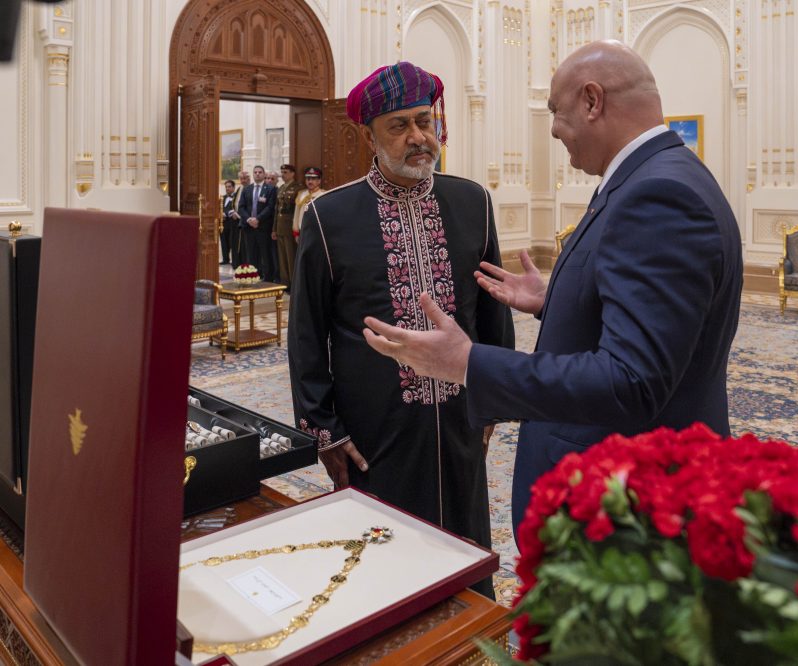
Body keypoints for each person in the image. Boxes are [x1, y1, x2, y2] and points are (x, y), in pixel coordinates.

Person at [362, 41, 743, 534]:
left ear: (591, 101)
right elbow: (657, 322)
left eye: (556, 112)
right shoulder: (659, 175)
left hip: (626, 503)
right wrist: (558, 300)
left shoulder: (657, 194)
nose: (553, 129)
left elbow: (631, 382)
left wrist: (466, 362)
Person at [288, 61, 514, 598]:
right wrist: (326, 429)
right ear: (369, 135)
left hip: (460, 421)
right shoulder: (329, 217)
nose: (417, 137)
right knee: (384, 570)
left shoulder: (472, 202)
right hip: (374, 430)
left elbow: (492, 310)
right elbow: (307, 332)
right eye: (399, 126)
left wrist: (495, 398)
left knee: (464, 557)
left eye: (423, 121)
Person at [237, 165, 277, 281]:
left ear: (264, 174)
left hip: (263, 227)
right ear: (253, 174)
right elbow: (241, 207)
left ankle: (268, 277)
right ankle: (253, 275)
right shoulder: (247, 189)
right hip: (249, 227)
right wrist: (249, 219)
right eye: (255, 172)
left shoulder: (270, 189)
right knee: (251, 253)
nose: (258, 174)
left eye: (260, 172)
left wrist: (257, 219)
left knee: (265, 253)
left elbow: (270, 208)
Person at [271, 164, 301, 290]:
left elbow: (297, 210)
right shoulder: (281, 187)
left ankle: (293, 283)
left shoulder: (298, 188)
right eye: (282, 172)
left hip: (290, 226)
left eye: (286, 172)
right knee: (282, 257)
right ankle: (285, 282)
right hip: (280, 226)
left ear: (293, 173)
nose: (283, 174)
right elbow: (277, 210)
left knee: (290, 256)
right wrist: (274, 229)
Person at [291, 167, 326, 241]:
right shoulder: (301, 194)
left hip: (318, 233)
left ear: (319, 181)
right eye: (308, 179)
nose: (310, 181)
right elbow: (296, 215)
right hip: (303, 232)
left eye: (313, 179)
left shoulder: (323, 195)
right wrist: (296, 233)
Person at [230, 170, 250, 268]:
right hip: (236, 221)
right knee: (236, 244)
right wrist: (233, 212)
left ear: (249, 178)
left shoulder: (250, 188)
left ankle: (246, 265)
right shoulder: (239, 189)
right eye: (241, 178)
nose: (243, 180)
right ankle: (237, 264)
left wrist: (242, 216)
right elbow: (235, 203)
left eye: (245, 178)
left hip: (246, 221)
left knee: (245, 245)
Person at [220, 179, 237, 265]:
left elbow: (234, 209)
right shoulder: (223, 198)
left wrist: (225, 213)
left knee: (232, 241)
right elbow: (219, 208)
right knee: (224, 241)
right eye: (226, 187)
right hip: (223, 223)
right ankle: (225, 259)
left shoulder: (236, 197)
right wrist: (220, 213)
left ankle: (234, 260)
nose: (227, 188)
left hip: (232, 223)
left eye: (229, 187)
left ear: (234, 187)